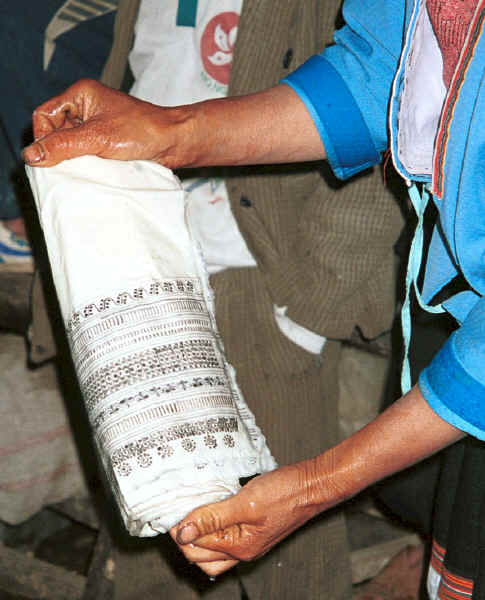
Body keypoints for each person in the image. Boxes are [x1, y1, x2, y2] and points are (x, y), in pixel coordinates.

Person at [31, 0, 480, 598]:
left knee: (291, 567)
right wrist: (173, 133)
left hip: (294, 289)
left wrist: (316, 481)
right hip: (448, 316)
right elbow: (382, 73)